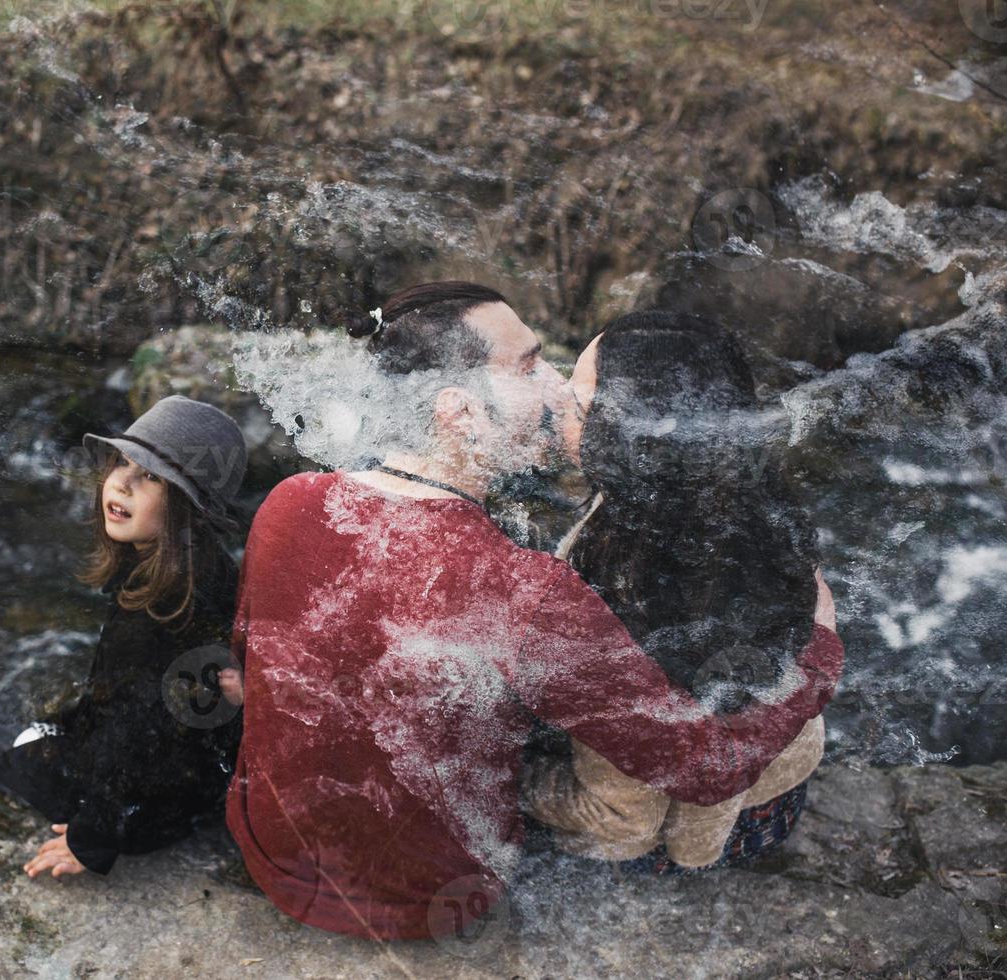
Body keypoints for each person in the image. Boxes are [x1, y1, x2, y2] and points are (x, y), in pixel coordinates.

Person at [220, 282, 843, 940]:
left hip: (270, 849)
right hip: (427, 894)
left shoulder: (290, 499)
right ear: (459, 412)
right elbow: (703, 767)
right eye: (527, 366)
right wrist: (822, 655)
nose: (552, 386)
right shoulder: (524, 591)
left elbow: (253, 663)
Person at [523, 311, 841, 871]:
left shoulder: (619, 607)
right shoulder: (755, 503)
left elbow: (631, 823)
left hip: (699, 830)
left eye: (575, 401)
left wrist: (516, 782)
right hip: (780, 792)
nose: (551, 397)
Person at [0, 395, 246, 879]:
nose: (120, 483)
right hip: (190, 774)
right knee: (47, 729)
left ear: (188, 507)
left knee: (15, 762)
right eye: (122, 463)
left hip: (158, 801)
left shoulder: (166, 611)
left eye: (150, 477)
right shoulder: (191, 567)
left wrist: (92, 838)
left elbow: (139, 733)